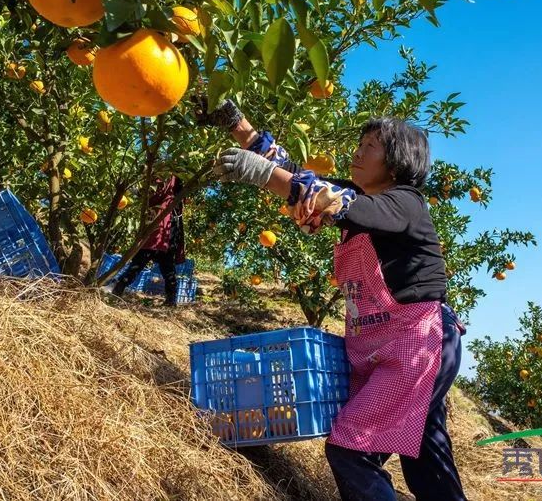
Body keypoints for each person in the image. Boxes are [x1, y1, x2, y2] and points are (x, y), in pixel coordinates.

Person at [199, 98, 469, 501]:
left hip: (419, 341)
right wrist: (239, 125)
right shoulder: (355, 198)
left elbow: (336, 201)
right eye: (359, 144)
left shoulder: (404, 203)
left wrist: (266, 178)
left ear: (395, 164)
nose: (358, 152)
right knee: (426, 458)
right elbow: (300, 176)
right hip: (389, 343)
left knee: (350, 448)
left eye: (370, 147)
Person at [112, 175, 185, 307]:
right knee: (165, 267)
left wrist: (138, 191)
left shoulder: (167, 178)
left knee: (142, 264)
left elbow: (152, 193)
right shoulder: (171, 182)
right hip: (162, 230)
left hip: (162, 230)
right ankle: (170, 300)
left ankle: (119, 289)